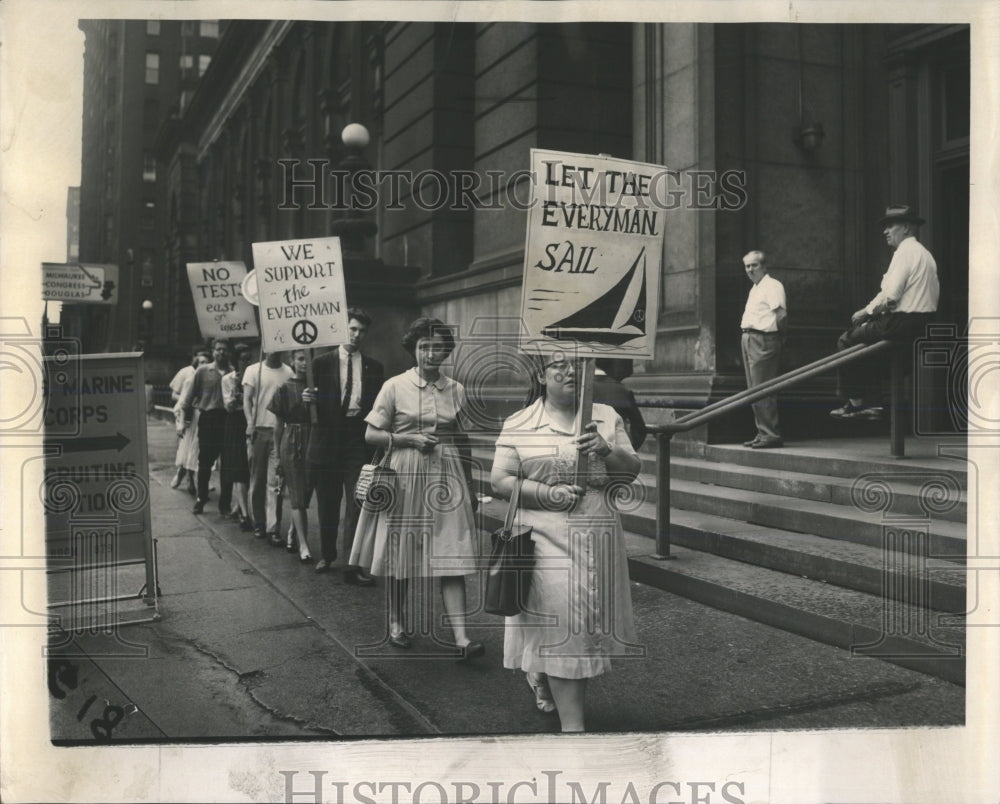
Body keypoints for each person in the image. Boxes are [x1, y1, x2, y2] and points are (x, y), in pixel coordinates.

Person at [490, 352, 641, 732]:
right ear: (541, 375)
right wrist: (547, 494)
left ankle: (540, 673)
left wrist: (606, 451)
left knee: (584, 624)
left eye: (578, 362)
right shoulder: (520, 423)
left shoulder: (605, 416)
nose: (569, 370)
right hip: (544, 538)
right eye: (558, 363)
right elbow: (501, 481)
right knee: (565, 627)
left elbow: (632, 469)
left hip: (598, 535)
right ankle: (575, 733)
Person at [349, 317, 482, 659]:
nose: (431, 354)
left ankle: (462, 637)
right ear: (414, 350)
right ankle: (396, 621)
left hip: (446, 475)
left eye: (438, 347)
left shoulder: (456, 389)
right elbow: (370, 434)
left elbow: (462, 439)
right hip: (405, 473)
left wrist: (470, 484)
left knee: (451, 552)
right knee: (401, 553)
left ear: (446, 351)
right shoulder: (395, 386)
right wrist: (407, 438)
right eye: (424, 347)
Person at [830, 205, 939, 421]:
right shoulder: (925, 255)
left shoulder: (905, 253)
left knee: (846, 341)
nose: (885, 231)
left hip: (900, 322)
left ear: (906, 227)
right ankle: (874, 405)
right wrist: (868, 312)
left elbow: (890, 297)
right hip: (921, 325)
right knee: (868, 352)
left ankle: (856, 402)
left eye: (891, 226)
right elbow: (887, 292)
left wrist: (866, 313)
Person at [302, 308, 383, 582]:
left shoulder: (374, 367)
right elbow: (307, 410)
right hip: (327, 438)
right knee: (327, 500)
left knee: (357, 500)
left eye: (361, 330)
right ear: (342, 328)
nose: (356, 335)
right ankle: (327, 554)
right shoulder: (321, 364)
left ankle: (352, 564)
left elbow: (377, 407)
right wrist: (306, 399)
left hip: (356, 439)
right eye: (352, 329)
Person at [243, 350, 294, 543]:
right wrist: (249, 422)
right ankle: (259, 523)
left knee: (275, 482)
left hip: (279, 432)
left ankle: (273, 528)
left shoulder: (288, 372)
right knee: (257, 480)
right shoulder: (253, 370)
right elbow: (247, 399)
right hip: (258, 430)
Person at [269, 350, 314, 563]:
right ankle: (303, 545)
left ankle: (294, 531)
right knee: (296, 496)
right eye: (300, 359)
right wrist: (277, 455)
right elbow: (278, 425)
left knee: (306, 494)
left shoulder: (316, 387)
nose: (305, 363)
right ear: (292, 362)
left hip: (313, 441)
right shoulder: (284, 389)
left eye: (308, 359)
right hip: (291, 441)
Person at [739, 250, 786, 448]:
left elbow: (781, 315)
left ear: (764, 266)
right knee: (754, 389)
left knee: (763, 388)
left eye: (754, 265)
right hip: (749, 338)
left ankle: (771, 434)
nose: (750, 270)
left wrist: (778, 338)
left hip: (763, 339)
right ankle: (762, 432)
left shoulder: (773, 285)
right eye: (747, 266)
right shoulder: (755, 288)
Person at [179, 338, 232, 515]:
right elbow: (188, 398)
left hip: (228, 419)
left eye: (225, 349)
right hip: (209, 419)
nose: (221, 353)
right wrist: (184, 420)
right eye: (218, 349)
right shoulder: (203, 371)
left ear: (229, 352)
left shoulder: (234, 372)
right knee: (205, 463)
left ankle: (225, 504)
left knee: (227, 464)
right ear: (213, 351)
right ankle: (201, 499)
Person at [221, 343, 253, 531]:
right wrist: (235, 388)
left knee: (249, 467)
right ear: (235, 361)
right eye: (243, 359)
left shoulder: (255, 376)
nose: (246, 363)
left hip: (251, 421)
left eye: (249, 359)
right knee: (239, 468)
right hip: (235, 420)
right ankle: (244, 513)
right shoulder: (227, 379)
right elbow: (229, 406)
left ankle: (240, 506)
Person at [170, 345, 208, 491]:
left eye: (206, 362)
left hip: (204, 418)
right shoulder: (189, 379)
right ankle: (181, 474)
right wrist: (181, 423)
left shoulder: (211, 379)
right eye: (201, 362)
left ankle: (191, 477)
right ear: (195, 364)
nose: (204, 366)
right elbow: (182, 403)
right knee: (185, 448)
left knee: (197, 450)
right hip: (190, 419)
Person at [592, 358, 647, 450]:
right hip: (617, 451)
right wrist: (630, 450)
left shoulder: (581, 388)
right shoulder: (623, 390)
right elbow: (639, 427)